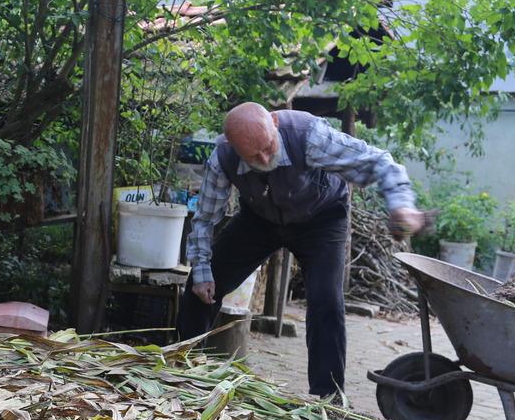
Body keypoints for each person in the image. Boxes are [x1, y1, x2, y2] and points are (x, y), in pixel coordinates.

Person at [177, 102, 425, 397]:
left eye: (268, 147)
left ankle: (328, 396)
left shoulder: (309, 136)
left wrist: (402, 207)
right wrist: (203, 270)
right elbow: (204, 220)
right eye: (253, 156)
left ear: (274, 122)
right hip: (260, 220)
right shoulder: (223, 158)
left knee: (326, 301)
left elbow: (380, 162)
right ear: (233, 146)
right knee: (202, 282)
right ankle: (184, 371)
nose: (266, 158)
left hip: (321, 218)